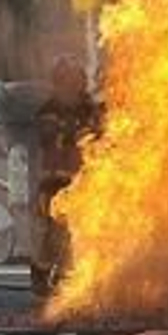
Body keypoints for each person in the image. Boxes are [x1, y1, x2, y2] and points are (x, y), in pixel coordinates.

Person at [31, 56, 100, 296]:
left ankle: (68, 276)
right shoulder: (49, 111)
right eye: (70, 81)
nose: (77, 86)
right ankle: (42, 274)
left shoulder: (90, 109)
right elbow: (49, 137)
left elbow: (103, 134)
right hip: (54, 181)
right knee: (53, 230)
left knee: (82, 230)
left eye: (79, 81)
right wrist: (79, 135)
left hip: (85, 180)